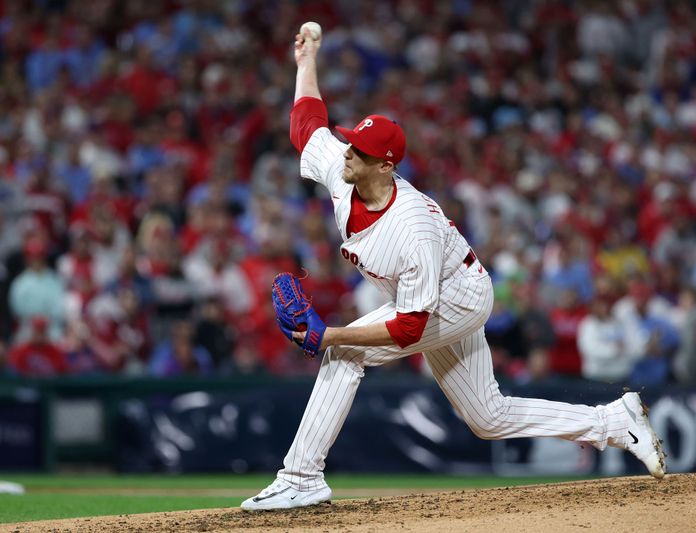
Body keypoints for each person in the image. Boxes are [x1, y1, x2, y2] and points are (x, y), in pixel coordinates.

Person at [240, 24, 666, 512]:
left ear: (387, 166)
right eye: (351, 144)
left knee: (346, 354)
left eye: (361, 150)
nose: (348, 153)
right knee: (487, 416)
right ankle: (614, 422)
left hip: (456, 297)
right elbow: (306, 125)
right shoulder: (345, 168)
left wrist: (331, 336)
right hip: (430, 292)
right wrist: (306, 62)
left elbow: (409, 327)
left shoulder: (412, 227)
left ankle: (301, 477)